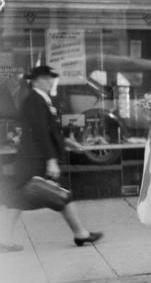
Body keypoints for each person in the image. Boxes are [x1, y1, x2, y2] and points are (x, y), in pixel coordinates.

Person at [0, 65, 102, 252]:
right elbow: (40, 133)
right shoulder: (35, 100)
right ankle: (81, 234)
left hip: (32, 159)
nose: (49, 81)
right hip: (36, 161)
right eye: (45, 79)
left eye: (50, 78)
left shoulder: (40, 99)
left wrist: (68, 143)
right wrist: (51, 160)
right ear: (35, 81)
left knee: (18, 200)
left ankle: (4, 240)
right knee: (62, 195)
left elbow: (48, 130)